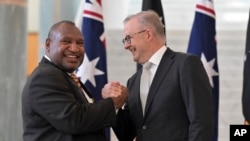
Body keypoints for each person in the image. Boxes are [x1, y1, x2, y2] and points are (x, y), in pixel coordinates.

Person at [103, 10, 214, 141]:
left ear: (148, 34)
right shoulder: (133, 81)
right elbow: (128, 135)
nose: (126, 46)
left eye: (128, 38)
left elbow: (201, 122)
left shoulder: (185, 65)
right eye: (124, 40)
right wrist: (114, 106)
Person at [21, 20, 128, 141]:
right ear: (48, 45)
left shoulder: (63, 75)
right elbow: (73, 120)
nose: (74, 48)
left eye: (80, 43)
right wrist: (113, 103)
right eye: (66, 41)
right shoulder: (44, 77)